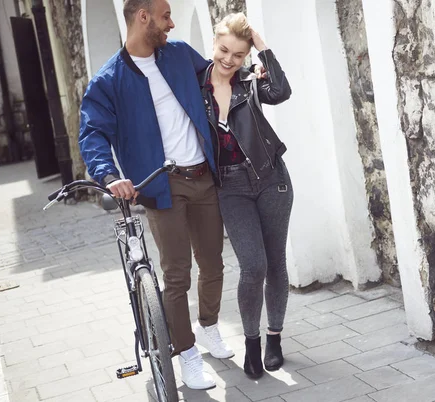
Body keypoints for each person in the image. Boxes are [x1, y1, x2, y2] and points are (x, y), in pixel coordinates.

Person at [78, 0, 234, 390]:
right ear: (143, 17)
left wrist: (249, 67)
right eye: (165, 16)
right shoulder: (109, 80)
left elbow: (218, 75)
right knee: (177, 274)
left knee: (213, 264)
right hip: (161, 185)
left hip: (202, 175)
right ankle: (187, 353)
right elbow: (92, 133)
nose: (172, 23)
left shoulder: (179, 54)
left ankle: (210, 326)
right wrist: (109, 175)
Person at [198, 13, 293, 379]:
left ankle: (274, 338)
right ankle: (251, 343)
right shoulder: (196, 88)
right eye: (224, 50)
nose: (229, 60)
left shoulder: (250, 81)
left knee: (276, 263)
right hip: (230, 187)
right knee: (253, 267)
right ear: (214, 44)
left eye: (238, 54)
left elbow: (281, 92)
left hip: (271, 180)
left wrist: (262, 47)